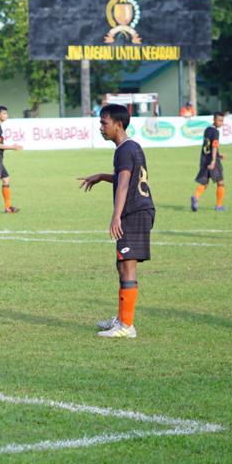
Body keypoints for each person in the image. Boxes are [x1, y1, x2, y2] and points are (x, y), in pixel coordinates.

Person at [78, 104, 155, 339]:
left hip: (134, 213)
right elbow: (127, 178)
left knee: (127, 265)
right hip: (139, 210)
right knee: (122, 264)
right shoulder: (130, 147)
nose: (101, 127)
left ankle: (126, 326)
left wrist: (115, 215)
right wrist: (102, 176)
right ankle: (123, 319)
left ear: (118, 124)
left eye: (104, 122)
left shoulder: (123, 150)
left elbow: (124, 184)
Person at [191, 111, 226, 211]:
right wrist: (214, 160)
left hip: (204, 159)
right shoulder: (215, 132)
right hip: (212, 161)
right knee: (221, 182)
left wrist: (219, 154)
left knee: (204, 183)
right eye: (219, 120)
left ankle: (195, 197)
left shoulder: (207, 129)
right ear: (214, 120)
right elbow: (214, 146)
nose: (221, 122)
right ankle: (219, 206)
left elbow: (208, 146)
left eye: (222, 121)